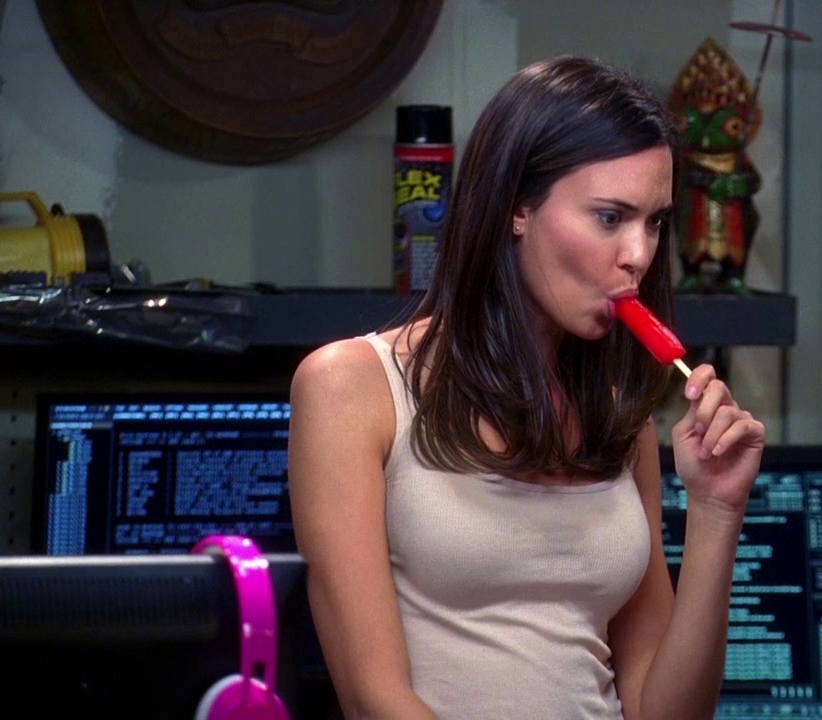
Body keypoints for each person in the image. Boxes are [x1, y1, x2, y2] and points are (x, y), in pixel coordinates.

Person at [288, 55, 766, 720]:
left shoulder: (619, 420)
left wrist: (717, 512)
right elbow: (375, 700)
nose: (639, 254)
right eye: (610, 217)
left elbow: (664, 712)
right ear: (518, 207)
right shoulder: (351, 388)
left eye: (655, 221)